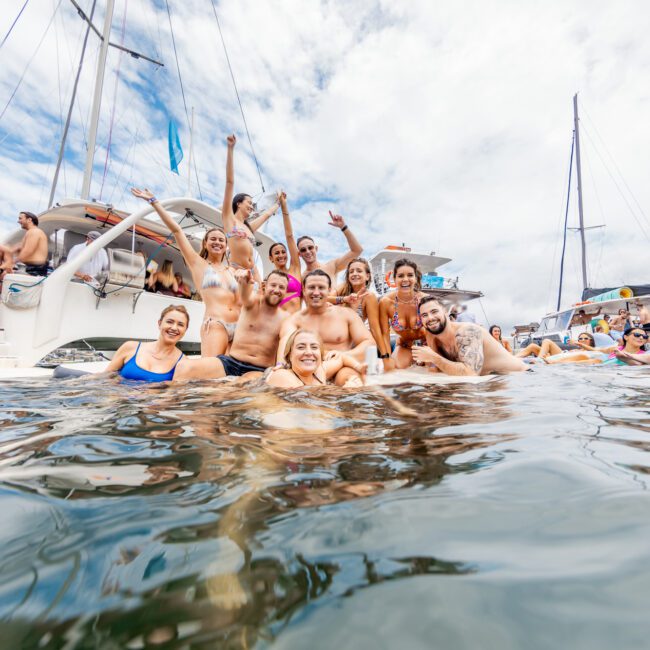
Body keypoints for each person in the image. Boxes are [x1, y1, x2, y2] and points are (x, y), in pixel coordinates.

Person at [131, 188, 239, 356]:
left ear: (226, 246)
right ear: (205, 243)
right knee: (212, 372)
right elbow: (177, 231)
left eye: (221, 240)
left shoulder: (231, 270)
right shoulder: (198, 263)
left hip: (238, 325)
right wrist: (154, 202)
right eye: (213, 239)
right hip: (216, 323)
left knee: (232, 374)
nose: (217, 242)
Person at [174, 270, 290, 380]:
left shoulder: (285, 318)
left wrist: (280, 364)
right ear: (264, 286)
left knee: (241, 383)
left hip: (258, 369)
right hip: (231, 362)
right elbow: (245, 293)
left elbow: (285, 340)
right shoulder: (252, 302)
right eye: (273, 285)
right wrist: (243, 281)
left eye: (281, 287)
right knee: (183, 367)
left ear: (286, 292)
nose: (277, 290)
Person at [278, 269, 373, 385]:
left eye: (321, 288)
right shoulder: (294, 320)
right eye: (311, 287)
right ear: (304, 290)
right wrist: (280, 367)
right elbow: (285, 344)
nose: (316, 292)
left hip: (341, 368)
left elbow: (369, 343)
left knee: (349, 380)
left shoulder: (346, 314)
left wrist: (343, 356)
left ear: (329, 290)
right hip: (307, 370)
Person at [412, 296, 527, 375]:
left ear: (446, 312)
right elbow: (435, 370)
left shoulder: (467, 331)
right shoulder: (432, 336)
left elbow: (470, 374)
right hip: (490, 381)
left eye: (434, 312)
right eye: (424, 315)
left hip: (518, 378)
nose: (430, 318)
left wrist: (433, 357)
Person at [221, 134, 280, 273]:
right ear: (238, 204)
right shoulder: (229, 219)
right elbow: (230, 182)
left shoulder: (249, 227)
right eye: (249, 203)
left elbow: (266, 215)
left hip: (252, 271)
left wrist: (279, 203)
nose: (252, 207)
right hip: (236, 270)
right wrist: (230, 149)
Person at [105, 304, 188, 381]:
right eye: (170, 322)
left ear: (185, 330)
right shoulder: (130, 347)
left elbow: (174, 394)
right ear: (159, 324)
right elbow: (104, 377)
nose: (174, 328)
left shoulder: (184, 363)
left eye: (180, 324)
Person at [266, 329, 365, 387]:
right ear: (290, 355)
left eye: (314, 347)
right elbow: (307, 408)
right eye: (301, 347)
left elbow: (341, 358)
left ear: (320, 355)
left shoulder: (319, 371)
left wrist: (359, 368)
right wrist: (343, 392)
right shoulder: (282, 376)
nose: (309, 352)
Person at [378, 259, 426, 370]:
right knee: (396, 368)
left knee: (432, 372)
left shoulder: (424, 299)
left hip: (429, 344)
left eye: (410, 275)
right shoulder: (386, 303)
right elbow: (384, 334)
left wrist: (429, 355)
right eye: (400, 276)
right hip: (405, 345)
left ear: (415, 278)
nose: (405, 279)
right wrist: (387, 358)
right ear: (394, 279)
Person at [296, 212, 362, 289]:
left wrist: (343, 227)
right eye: (303, 250)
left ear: (316, 249)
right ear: (299, 254)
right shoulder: (301, 278)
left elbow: (357, 251)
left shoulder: (331, 266)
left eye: (310, 248)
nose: (307, 251)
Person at [331, 258, 383, 350]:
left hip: (352, 342)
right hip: (334, 337)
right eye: (351, 272)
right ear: (348, 276)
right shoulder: (343, 288)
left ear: (367, 276)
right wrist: (345, 299)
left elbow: (374, 329)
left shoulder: (369, 296)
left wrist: (384, 354)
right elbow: (324, 299)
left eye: (359, 271)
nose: (354, 274)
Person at [268, 191, 302, 313]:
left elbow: (289, 236)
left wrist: (284, 206)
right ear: (270, 258)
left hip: (295, 325)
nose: (281, 255)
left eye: (283, 252)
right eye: (276, 253)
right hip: (275, 325)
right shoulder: (269, 280)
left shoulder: (295, 268)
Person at [0, 211, 49, 281]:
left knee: (5, 277)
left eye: (20, 218)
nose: (18, 221)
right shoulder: (30, 233)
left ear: (29, 220)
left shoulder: (34, 232)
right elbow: (15, 249)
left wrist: (11, 263)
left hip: (35, 270)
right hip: (32, 268)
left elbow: (27, 252)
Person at [516, 333, 614, 365]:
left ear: (591, 341)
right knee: (533, 346)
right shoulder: (577, 349)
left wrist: (578, 343)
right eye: (580, 338)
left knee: (547, 341)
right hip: (562, 354)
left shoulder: (595, 350)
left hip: (562, 358)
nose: (582, 340)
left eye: (585, 338)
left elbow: (599, 352)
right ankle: (512, 358)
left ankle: (540, 360)